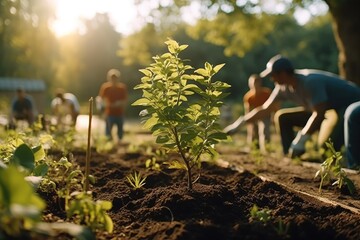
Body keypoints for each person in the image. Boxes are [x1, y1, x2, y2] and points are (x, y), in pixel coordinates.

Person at [224, 54, 360, 168]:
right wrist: (240, 123)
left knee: (325, 147)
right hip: (324, 109)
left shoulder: (310, 82)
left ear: (283, 73)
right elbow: (265, 109)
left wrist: (301, 139)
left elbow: (319, 113)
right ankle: (291, 155)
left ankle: (349, 166)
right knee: (283, 117)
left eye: (273, 75)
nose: (272, 79)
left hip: (347, 106)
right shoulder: (282, 87)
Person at [243, 74, 272, 152]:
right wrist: (249, 122)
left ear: (260, 83)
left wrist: (274, 116)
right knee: (252, 131)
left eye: (257, 82)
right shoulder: (248, 97)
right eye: (253, 83)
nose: (255, 85)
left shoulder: (266, 93)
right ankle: (253, 148)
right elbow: (248, 111)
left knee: (265, 131)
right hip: (254, 116)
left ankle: (266, 148)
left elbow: (273, 106)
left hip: (265, 115)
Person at [98, 69, 128, 142]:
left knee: (120, 132)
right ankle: (109, 145)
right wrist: (103, 108)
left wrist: (118, 103)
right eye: (112, 78)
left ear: (118, 78)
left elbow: (125, 100)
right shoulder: (105, 88)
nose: (113, 80)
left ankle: (119, 146)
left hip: (119, 113)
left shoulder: (122, 88)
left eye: (115, 78)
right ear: (109, 78)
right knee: (108, 132)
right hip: (109, 113)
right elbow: (100, 99)